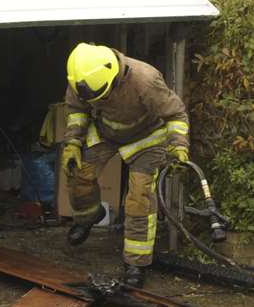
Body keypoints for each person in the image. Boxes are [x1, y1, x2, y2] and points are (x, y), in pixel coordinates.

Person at [60, 43, 189, 290]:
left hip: (146, 138)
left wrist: (179, 145)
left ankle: (136, 263)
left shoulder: (146, 81)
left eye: (103, 96)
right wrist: (73, 142)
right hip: (106, 132)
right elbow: (77, 111)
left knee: (139, 197)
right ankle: (88, 217)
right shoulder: (81, 77)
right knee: (78, 173)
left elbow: (176, 115)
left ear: (114, 77)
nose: (101, 100)